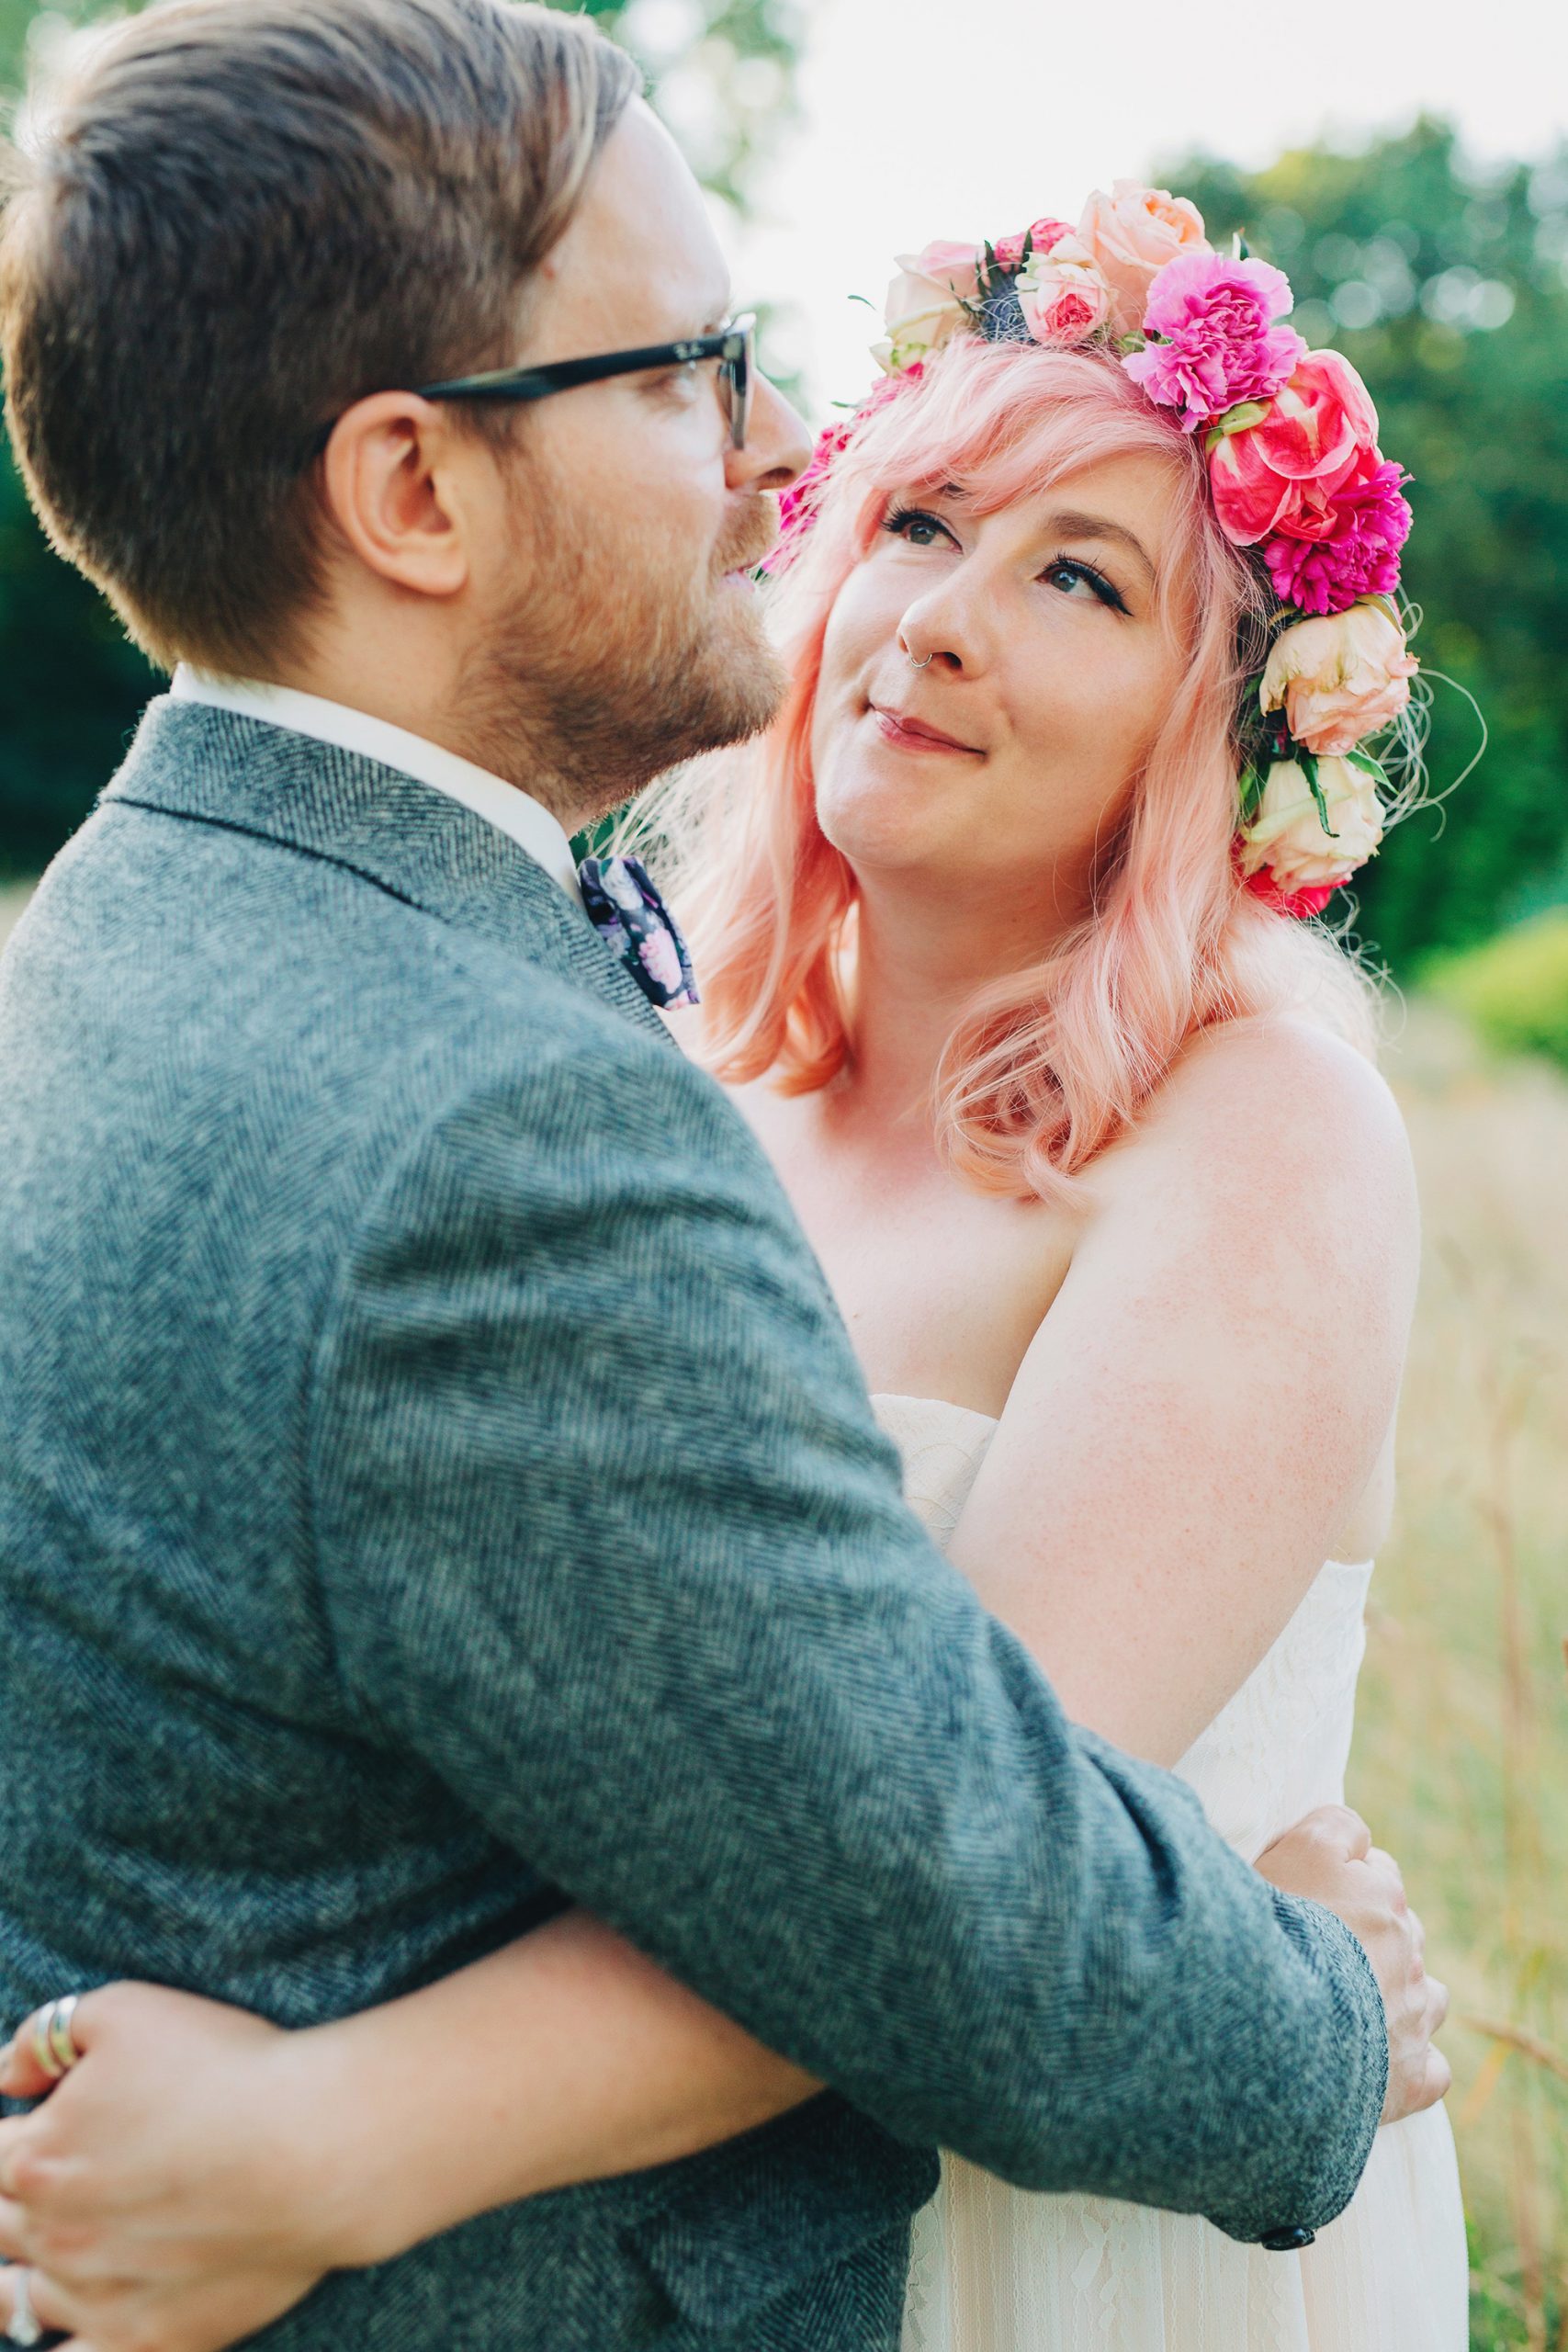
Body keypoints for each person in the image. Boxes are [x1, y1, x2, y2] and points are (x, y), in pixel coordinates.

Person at [0, 8, 1444, 2351]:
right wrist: (1314, 1996)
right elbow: (917, 1874)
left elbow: (962, 1873)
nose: (904, 587)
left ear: (1222, 712)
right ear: (410, 491)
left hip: (1066, 2212)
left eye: (1082, 580)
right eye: (916, 518)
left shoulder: (1252, 1124)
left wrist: (329, 2136)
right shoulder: (616, 1080)